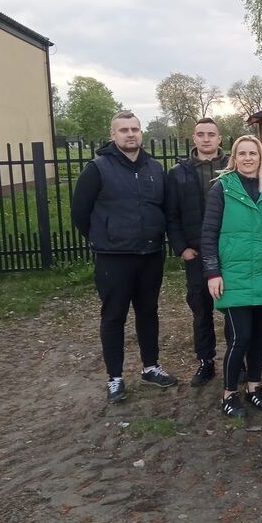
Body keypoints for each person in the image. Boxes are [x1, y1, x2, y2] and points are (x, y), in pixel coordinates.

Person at [72, 110, 178, 403]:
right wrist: (102, 237)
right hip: (113, 258)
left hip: (150, 254)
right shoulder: (97, 168)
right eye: (124, 130)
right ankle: (115, 378)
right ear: (113, 135)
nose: (130, 134)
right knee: (114, 316)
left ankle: (151, 367)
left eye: (135, 129)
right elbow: (80, 211)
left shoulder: (155, 168)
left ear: (141, 133)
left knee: (148, 313)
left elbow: (164, 208)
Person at [200, 135, 262, 418]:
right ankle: (229, 393)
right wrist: (213, 272)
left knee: (260, 335)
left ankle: (254, 387)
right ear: (234, 157)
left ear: (261, 157)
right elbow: (209, 233)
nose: (248, 158)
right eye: (242, 153)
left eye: (253, 153)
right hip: (234, 274)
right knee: (240, 336)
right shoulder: (222, 188)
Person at [166, 118, 229, 387]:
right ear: (194, 138)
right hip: (196, 251)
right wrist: (181, 247)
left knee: (233, 309)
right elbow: (171, 214)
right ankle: (206, 361)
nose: (206, 139)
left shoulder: (232, 168)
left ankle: (238, 358)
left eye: (211, 134)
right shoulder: (179, 173)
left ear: (219, 139)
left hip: (228, 250)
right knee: (201, 308)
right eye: (201, 134)